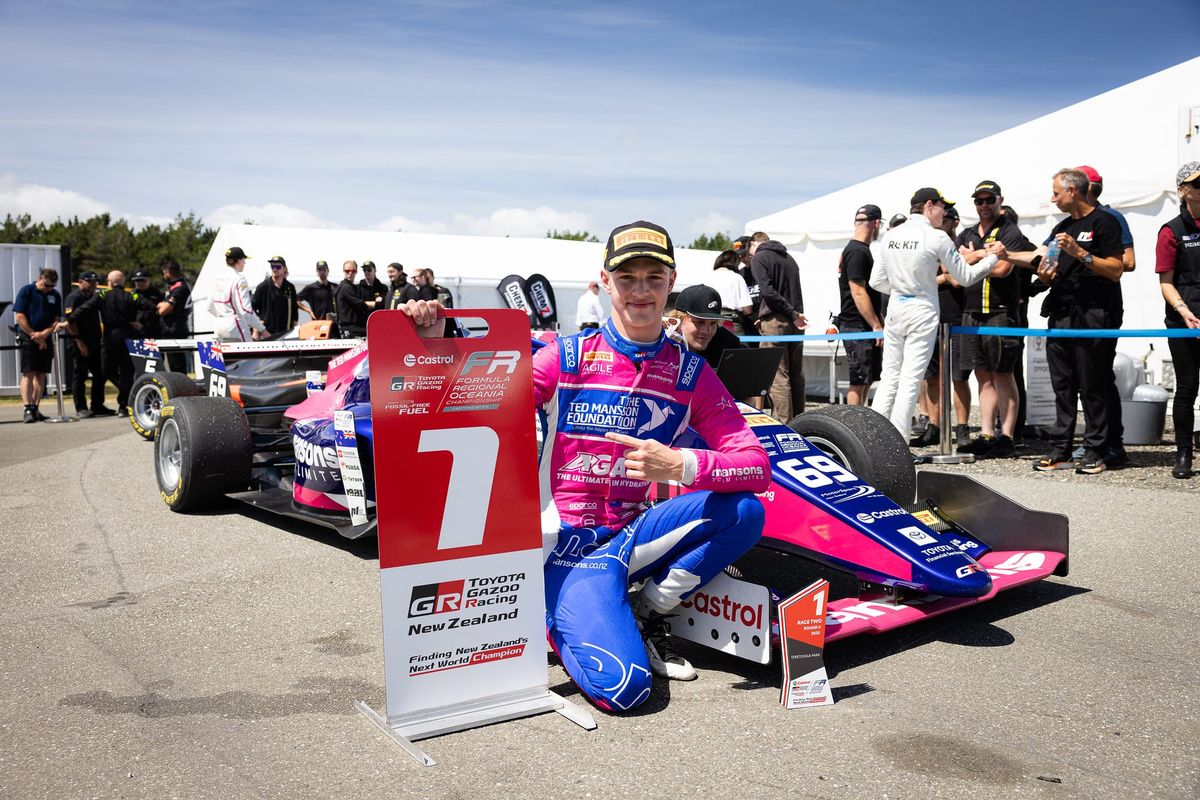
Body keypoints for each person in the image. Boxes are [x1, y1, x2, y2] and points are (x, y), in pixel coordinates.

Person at [398, 220, 769, 711]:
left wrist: (679, 463)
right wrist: (434, 341)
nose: (641, 291)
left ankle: (646, 608)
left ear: (671, 282)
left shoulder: (690, 373)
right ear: (605, 281)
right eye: (627, 278)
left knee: (746, 512)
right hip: (567, 546)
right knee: (624, 689)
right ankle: (552, 606)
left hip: (632, 537)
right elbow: (466, 411)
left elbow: (755, 466)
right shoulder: (566, 357)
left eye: (653, 279)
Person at [1005, 169, 1125, 474]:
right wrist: (1040, 272)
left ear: (1074, 191)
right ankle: (1061, 450)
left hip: (1095, 314)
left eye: (1057, 192)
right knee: (1063, 386)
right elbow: (1043, 259)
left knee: (1093, 385)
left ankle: (1097, 450)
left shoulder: (1105, 221)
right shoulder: (1062, 226)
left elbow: (1116, 269)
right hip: (1061, 314)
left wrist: (1081, 253)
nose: (1052, 198)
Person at [869, 188, 999, 439]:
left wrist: (899, 289)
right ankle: (897, 444)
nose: (945, 213)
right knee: (910, 379)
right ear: (929, 206)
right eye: (943, 207)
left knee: (889, 377)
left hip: (896, 307)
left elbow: (876, 282)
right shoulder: (936, 237)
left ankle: (872, 439)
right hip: (922, 309)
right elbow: (966, 276)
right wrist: (992, 258)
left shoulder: (892, 235)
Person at [953, 180, 1034, 458]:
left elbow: (1002, 268)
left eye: (989, 200)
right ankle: (987, 433)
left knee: (1003, 374)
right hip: (972, 311)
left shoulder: (1011, 231)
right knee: (982, 375)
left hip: (1001, 310)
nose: (984, 206)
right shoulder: (965, 233)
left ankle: (1008, 436)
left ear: (1000, 200)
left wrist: (972, 256)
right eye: (979, 201)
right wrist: (982, 254)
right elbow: (953, 271)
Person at [1079, 165, 1137, 469]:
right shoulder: (1075, 222)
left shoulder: (1110, 218)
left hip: (1104, 306)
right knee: (1087, 379)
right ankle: (1100, 441)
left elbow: (1128, 261)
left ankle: (1111, 444)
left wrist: (1087, 257)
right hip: (1079, 308)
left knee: (1099, 378)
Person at [1155, 161, 1200, 479]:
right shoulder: (1172, 230)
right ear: (1183, 190)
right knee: (1187, 387)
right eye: (1198, 183)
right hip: (1185, 319)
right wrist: (1184, 310)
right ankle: (1183, 452)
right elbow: (1166, 282)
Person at [914, 205, 972, 446]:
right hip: (931, 317)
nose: (942, 221)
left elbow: (957, 278)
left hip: (956, 316)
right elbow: (918, 278)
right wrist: (940, 278)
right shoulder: (929, 243)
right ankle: (935, 425)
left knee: (959, 376)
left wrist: (942, 276)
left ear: (955, 222)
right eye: (941, 217)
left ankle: (962, 427)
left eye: (947, 218)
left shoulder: (958, 243)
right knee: (932, 377)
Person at [749, 231, 807, 421]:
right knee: (796, 375)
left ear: (753, 244)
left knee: (778, 376)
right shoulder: (789, 258)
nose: (749, 257)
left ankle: (786, 426)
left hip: (778, 321)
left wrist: (786, 313)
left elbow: (768, 291)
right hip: (796, 322)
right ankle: (800, 423)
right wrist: (794, 315)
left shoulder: (760, 257)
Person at [836, 204, 885, 406]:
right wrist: (875, 324)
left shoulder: (859, 250)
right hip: (856, 324)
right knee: (858, 380)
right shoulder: (856, 251)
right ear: (876, 223)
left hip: (860, 324)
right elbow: (857, 291)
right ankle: (853, 425)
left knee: (866, 378)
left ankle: (859, 421)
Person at [12, 268, 66, 423]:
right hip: (28, 336)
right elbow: (20, 316)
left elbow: (56, 319)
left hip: (45, 336)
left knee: (41, 374)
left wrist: (44, 334)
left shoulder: (54, 295)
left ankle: (36, 407)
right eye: (47, 285)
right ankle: (27, 407)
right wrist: (34, 335)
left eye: (52, 286)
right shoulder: (27, 291)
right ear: (40, 278)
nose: (49, 289)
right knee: (28, 372)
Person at [63, 271, 111, 417]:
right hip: (79, 341)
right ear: (80, 282)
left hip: (95, 341)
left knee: (100, 374)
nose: (93, 284)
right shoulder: (74, 297)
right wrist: (79, 341)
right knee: (80, 374)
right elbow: (70, 321)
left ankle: (97, 405)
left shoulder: (94, 297)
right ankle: (81, 408)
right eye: (90, 281)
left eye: (95, 281)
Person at [666, 283, 745, 370]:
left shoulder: (727, 345)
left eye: (713, 323)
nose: (706, 331)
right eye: (699, 322)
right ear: (678, 319)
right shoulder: (659, 345)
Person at [100, 270, 142, 416]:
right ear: (123, 282)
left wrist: (69, 321)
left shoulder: (103, 295)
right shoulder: (132, 295)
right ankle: (125, 400)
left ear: (110, 282)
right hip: (128, 336)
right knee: (126, 373)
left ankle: (125, 404)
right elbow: (149, 307)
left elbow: (85, 309)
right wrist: (138, 322)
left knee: (108, 370)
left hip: (111, 338)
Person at [208, 246, 267, 342]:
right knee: (251, 355)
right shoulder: (239, 279)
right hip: (234, 324)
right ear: (239, 260)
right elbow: (245, 310)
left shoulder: (217, 278)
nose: (245, 262)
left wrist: (223, 316)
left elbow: (209, 306)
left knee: (222, 356)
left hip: (218, 324)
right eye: (244, 259)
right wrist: (263, 330)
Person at [708, 250, 753, 335]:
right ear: (735, 262)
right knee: (733, 346)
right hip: (730, 321)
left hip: (711, 322)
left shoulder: (708, 277)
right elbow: (747, 309)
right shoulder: (737, 278)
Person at [158, 260, 192, 372]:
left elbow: (162, 310)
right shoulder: (172, 287)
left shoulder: (180, 287)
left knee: (177, 365)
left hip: (175, 330)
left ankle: (181, 388)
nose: (164, 276)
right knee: (170, 365)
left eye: (164, 273)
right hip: (169, 330)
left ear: (168, 272)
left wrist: (161, 305)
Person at [251, 256, 299, 336]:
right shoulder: (262, 287)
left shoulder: (290, 287)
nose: (275, 269)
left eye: (278, 266)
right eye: (272, 266)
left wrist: (294, 331)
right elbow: (252, 309)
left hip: (286, 333)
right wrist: (256, 330)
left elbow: (294, 310)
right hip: (267, 334)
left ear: (284, 269)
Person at [335, 260, 374, 337]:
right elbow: (360, 304)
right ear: (343, 271)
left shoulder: (352, 287)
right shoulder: (346, 287)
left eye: (353, 271)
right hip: (352, 330)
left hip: (354, 329)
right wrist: (378, 304)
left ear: (356, 272)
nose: (350, 273)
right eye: (347, 271)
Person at [131, 269, 163, 338]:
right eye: (137, 281)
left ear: (149, 280)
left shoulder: (156, 293)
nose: (140, 283)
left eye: (143, 280)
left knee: (151, 349)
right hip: (136, 331)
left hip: (152, 330)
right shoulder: (131, 294)